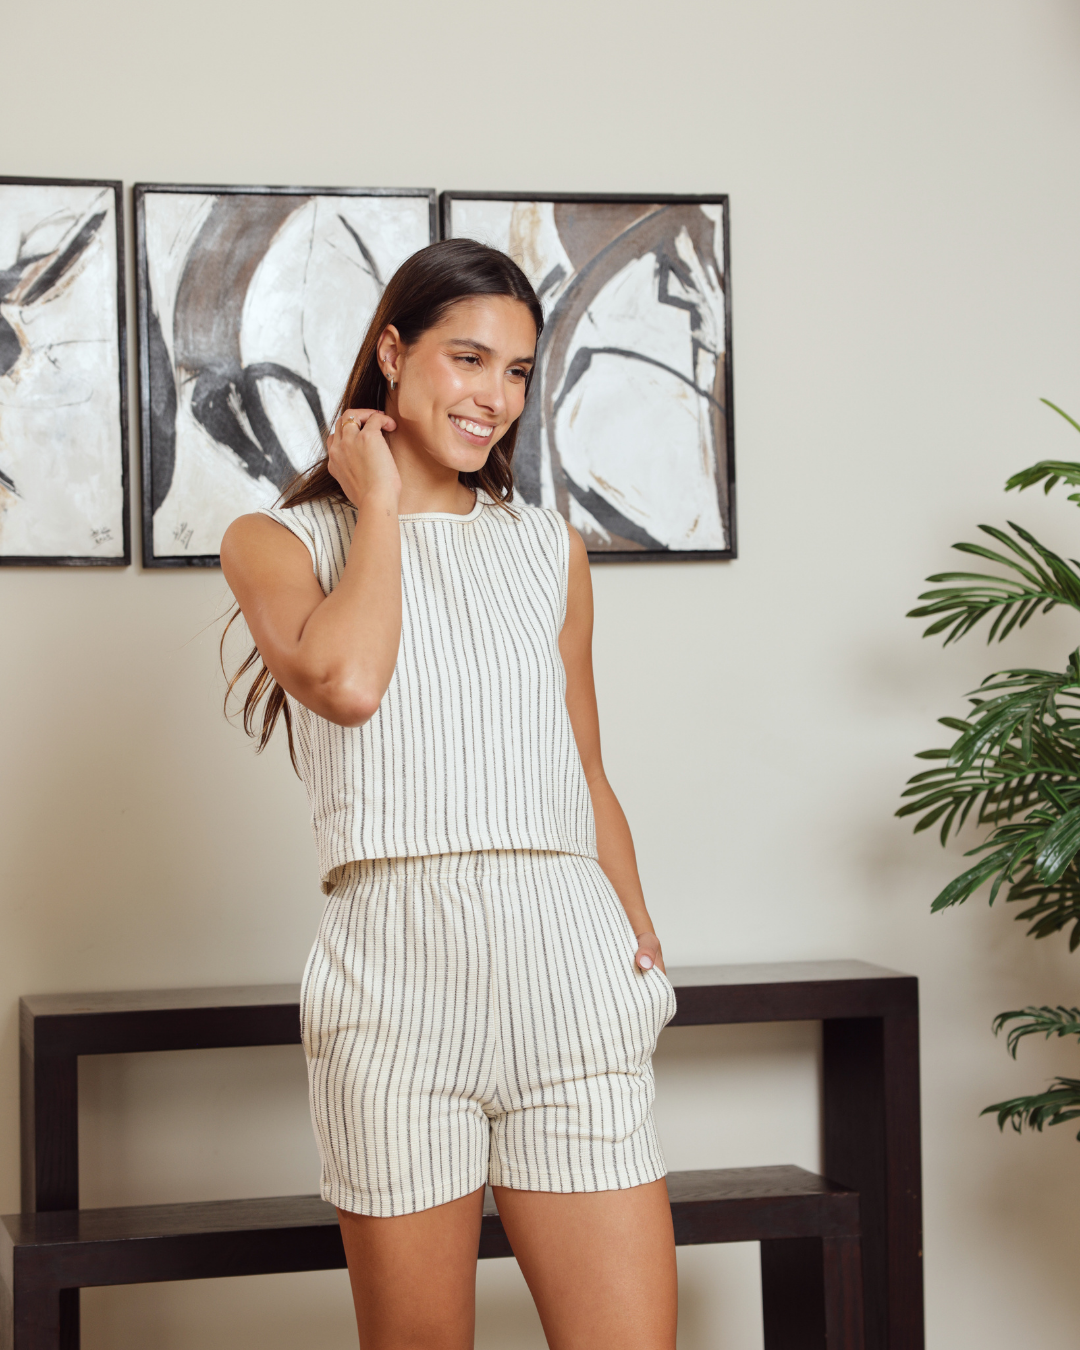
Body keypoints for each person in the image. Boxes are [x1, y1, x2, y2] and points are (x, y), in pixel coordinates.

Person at [219, 238, 677, 1350]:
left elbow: (583, 766)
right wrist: (378, 506)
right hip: (395, 988)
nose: (496, 398)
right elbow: (348, 680)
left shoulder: (546, 549)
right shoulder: (280, 542)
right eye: (469, 359)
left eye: (518, 372)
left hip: (568, 970)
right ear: (392, 353)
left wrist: (639, 949)